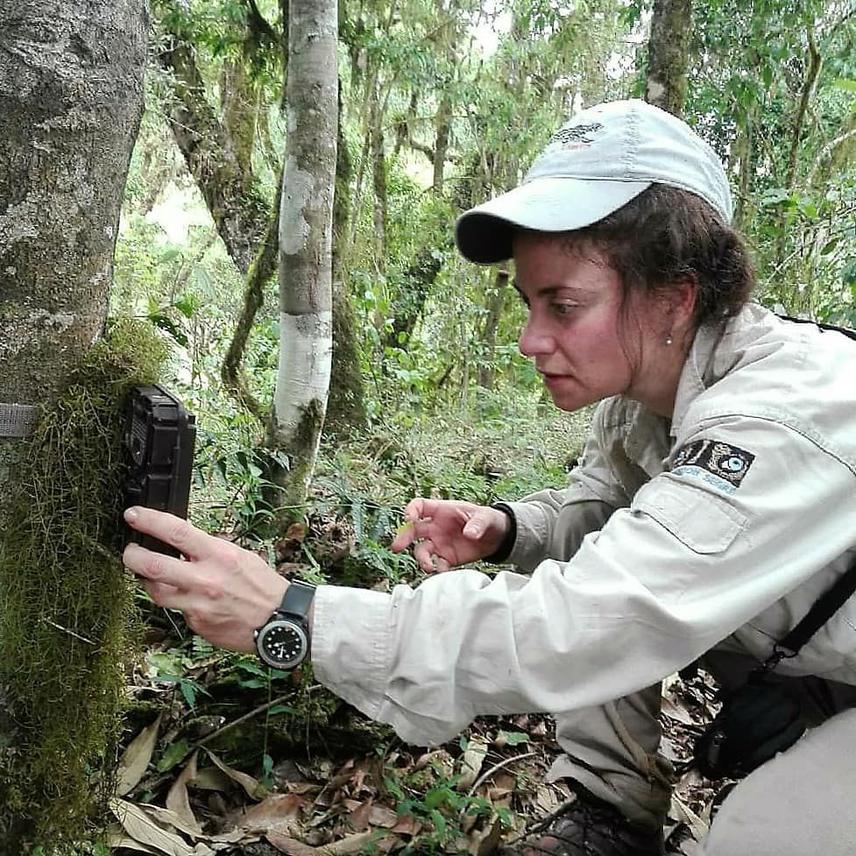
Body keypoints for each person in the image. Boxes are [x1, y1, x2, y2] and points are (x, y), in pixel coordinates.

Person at [123, 100, 856, 856]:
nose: (530, 340)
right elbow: (606, 513)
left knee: (765, 835)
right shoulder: (643, 397)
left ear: (675, 296)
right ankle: (606, 817)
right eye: (529, 303)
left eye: (564, 306)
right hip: (805, 661)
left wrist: (296, 614)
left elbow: (588, 621)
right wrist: (508, 530)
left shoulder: (780, 416)